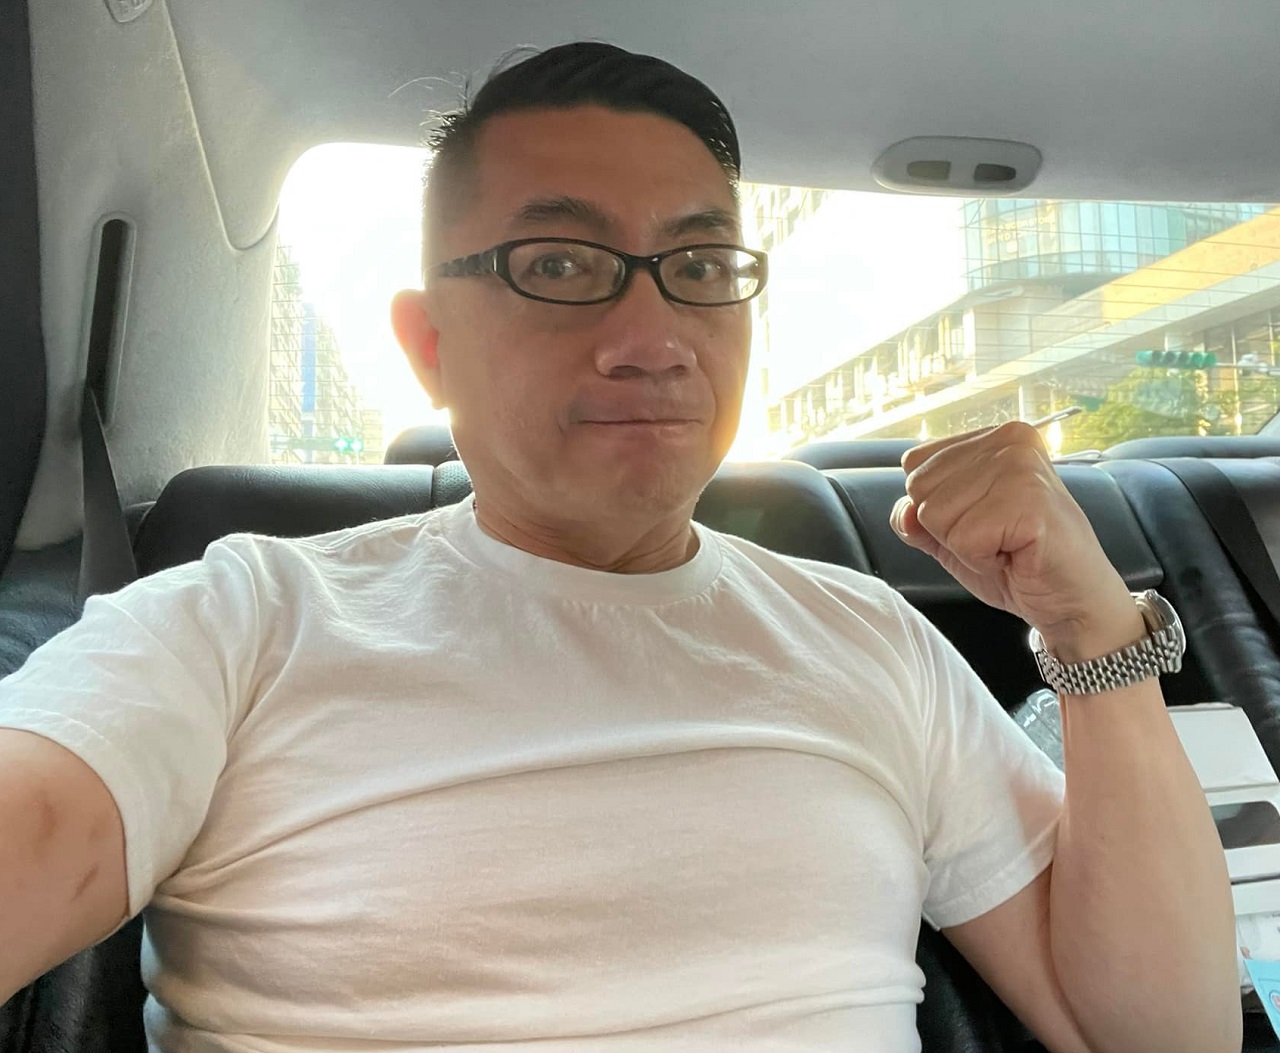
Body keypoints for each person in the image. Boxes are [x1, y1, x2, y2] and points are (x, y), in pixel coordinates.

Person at [0, 41, 1239, 1053]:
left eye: (699, 264)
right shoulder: (235, 623)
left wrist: (1089, 625)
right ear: (430, 345)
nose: (652, 338)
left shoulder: (869, 637)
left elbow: (1151, 1031)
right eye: (557, 263)